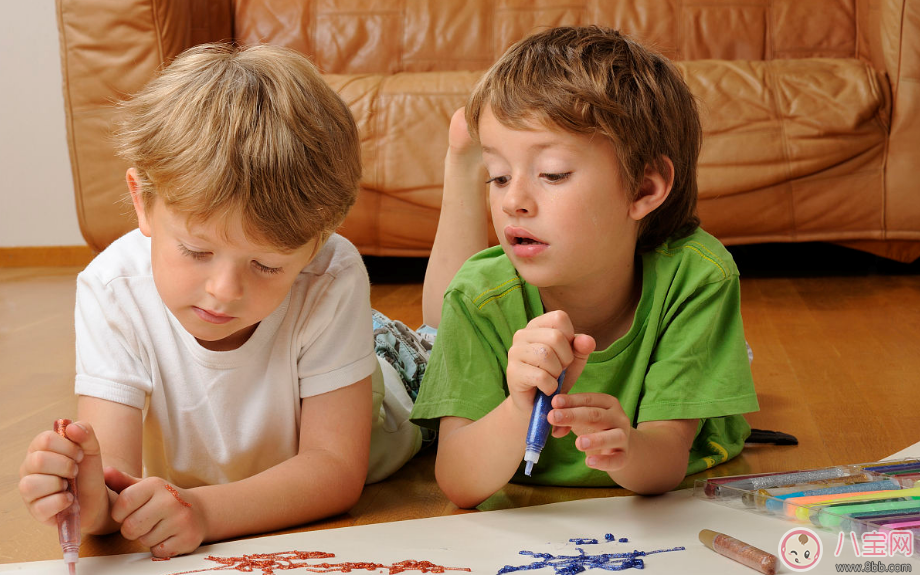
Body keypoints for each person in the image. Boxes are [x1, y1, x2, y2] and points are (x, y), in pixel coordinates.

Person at [18, 43, 424, 558]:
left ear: (317, 243)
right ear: (142, 200)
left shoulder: (331, 274)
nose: (224, 292)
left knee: (438, 359)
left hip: (393, 392)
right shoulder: (112, 289)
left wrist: (206, 512)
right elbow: (114, 493)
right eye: (196, 250)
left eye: (267, 266)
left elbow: (336, 470)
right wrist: (81, 495)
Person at [411, 26, 760, 508]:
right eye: (497, 176)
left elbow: (664, 461)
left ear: (643, 190)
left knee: (717, 357)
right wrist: (518, 407)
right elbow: (457, 480)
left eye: (552, 173)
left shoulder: (698, 276)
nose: (513, 201)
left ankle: (722, 365)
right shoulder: (478, 294)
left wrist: (628, 447)